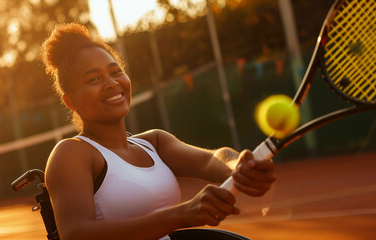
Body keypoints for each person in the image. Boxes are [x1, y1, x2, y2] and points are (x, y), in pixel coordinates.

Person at [41, 22, 276, 240]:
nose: (112, 83)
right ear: (70, 101)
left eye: (115, 72)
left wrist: (240, 166)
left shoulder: (154, 142)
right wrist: (182, 215)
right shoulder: (71, 153)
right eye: (93, 79)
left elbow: (212, 159)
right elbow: (76, 234)